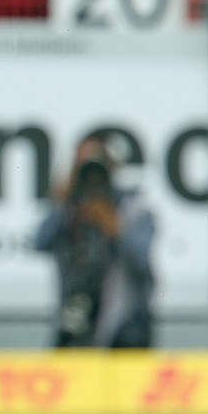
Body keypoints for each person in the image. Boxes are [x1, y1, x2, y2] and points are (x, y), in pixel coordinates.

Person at [34, 135, 156, 348]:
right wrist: (62, 204)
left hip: (123, 329)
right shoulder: (69, 208)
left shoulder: (132, 208)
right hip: (77, 320)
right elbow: (40, 242)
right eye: (83, 167)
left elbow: (142, 262)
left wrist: (115, 228)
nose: (92, 177)